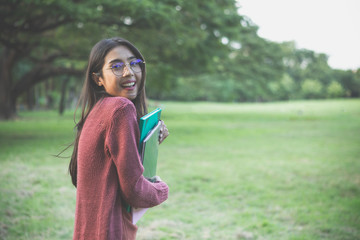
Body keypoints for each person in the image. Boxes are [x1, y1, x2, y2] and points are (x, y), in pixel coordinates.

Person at [68, 37, 169, 240]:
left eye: (134, 63)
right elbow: (134, 190)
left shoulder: (98, 110)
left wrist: (147, 144)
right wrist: (162, 189)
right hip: (111, 231)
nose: (128, 72)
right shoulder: (120, 108)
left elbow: (106, 172)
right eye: (116, 66)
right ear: (98, 78)